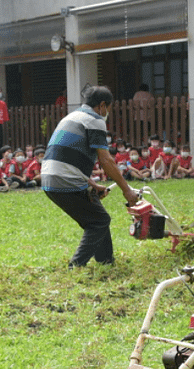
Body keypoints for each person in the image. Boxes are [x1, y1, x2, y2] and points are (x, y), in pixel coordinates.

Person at [41, 85, 140, 267]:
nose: (107, 112)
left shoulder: (71, 117)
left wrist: (92, 185)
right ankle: (76, 266)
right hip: (66, 180)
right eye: (108, 108)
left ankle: (106, 261)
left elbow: (66, 156)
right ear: (102, 105)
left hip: (49, 178)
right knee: (99, 221)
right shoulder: (94, 120)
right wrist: (127, 190)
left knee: (97, 217)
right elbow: (106, 160)